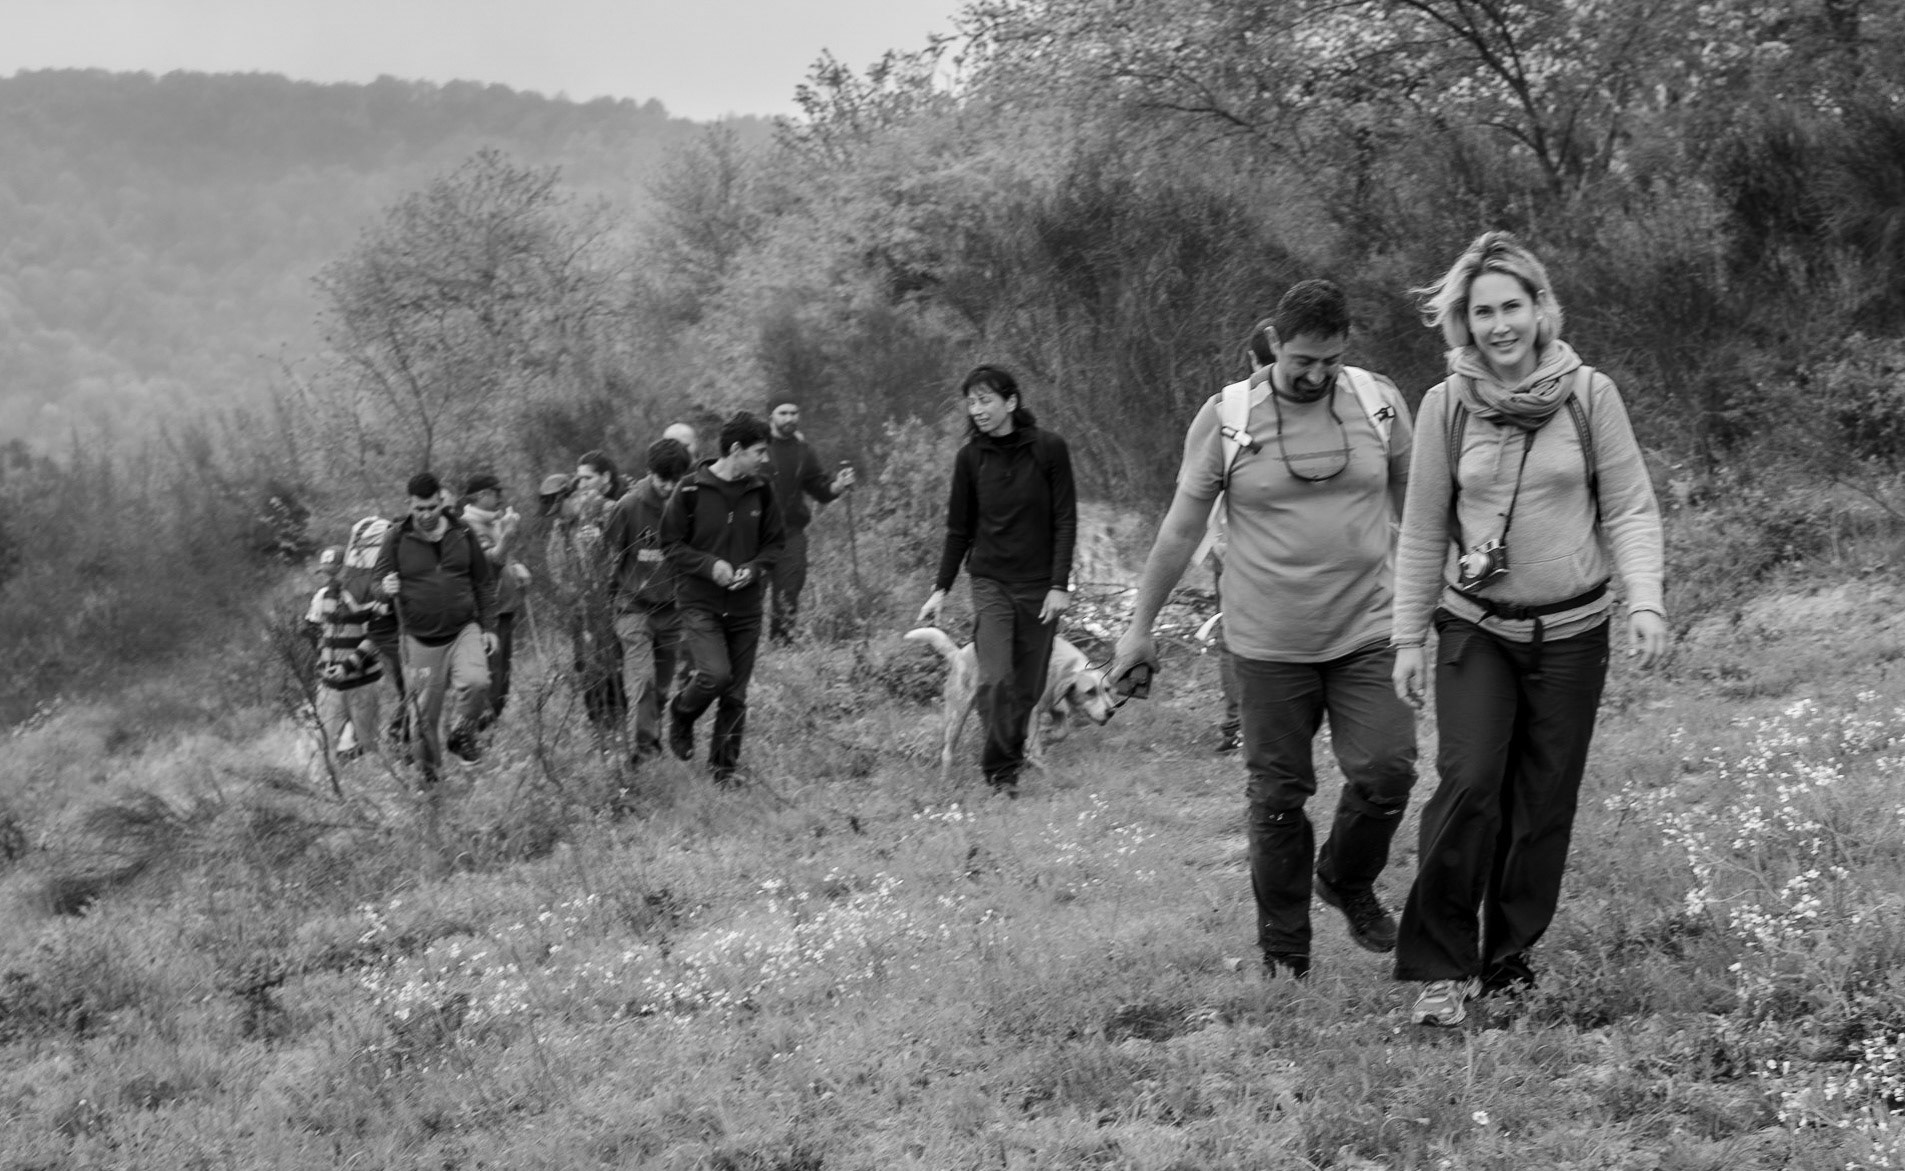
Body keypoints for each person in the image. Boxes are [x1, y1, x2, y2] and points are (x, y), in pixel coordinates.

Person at [1389, 231, 1668, 1026]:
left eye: (1511, 305)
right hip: (1475, 628)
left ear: (1541, 309)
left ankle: (1507, 960)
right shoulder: (1444, 405)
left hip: (1573, 633)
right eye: (1483, 311)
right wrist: (1407, 637)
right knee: (1469, 780)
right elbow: (1422, 527)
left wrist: (1644, 599)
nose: (1499, 324)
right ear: (1463, 321)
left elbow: (1628, 507)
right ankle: (1440, 969)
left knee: (1542, 802)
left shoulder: (1589, 395)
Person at [1109, 280, 1419, 980]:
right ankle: (1285, 956)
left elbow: (1418, 503)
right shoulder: (1228, 416)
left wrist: (1447, 581)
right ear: (1274, 342)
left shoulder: (1377, 401)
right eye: (1302, 360)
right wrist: (1139, 627)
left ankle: (1343, 877)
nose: (1315, 374)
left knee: (1388, 769)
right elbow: (1180, 529)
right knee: (1278, 798)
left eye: (1329, 360)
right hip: (1267, 644)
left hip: (1368, 630)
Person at [918, 365, 1077, 799]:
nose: (977, 410)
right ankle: (1000, 773)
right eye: (971, 402)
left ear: (1011, 402)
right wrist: (940, 589)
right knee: (994, 679)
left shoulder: (1049, 449)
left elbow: (1065, 519)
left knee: (1027, 688)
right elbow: (958, 529)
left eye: (985, 400)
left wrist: (1059, 584)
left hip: (1040, 585)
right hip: (991, 582)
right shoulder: (970, 458)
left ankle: (1008, 761)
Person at [662, 412, 787, 784]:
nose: (764, 458)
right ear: (735, 450)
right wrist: (708, 565)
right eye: (758, 451)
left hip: (746, 607)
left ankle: (723, 772)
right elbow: (671, 544)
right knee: (715, 675)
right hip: (700, 603)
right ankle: (682, 713)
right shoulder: (689, 490)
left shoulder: (762, 490)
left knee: (735, 693)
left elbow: (775, 544)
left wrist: (754, 568)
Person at [373, 472, 498, 784]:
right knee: (422, 721)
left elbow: (483, 582)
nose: (426, 514)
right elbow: (376, 584)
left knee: (477, 682)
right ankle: (431, 782)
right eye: (419, 509)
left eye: (431, 507)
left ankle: (461, 733)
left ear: (441, 502)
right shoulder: (396, 538)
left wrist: (489, 627)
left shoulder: (463, 531)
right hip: (419, 639)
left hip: (463, 629)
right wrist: (385, 588)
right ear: (409, 504)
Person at [604, 437, 692, 768]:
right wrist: (607, 608)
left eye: (675, 480)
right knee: (642, 681)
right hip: (633, 608)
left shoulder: (688, 503)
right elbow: (608, 558)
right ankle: (641, 756)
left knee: (662, 688)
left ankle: (651, 741)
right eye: (662, 479)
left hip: (672, 610)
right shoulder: (628, 507)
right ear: (649, 472)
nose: (669, 487)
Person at [546, 451, 628, 736]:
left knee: (613, 667)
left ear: (606, 477)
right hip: (581, 609)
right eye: (578, 479)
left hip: (613, 603)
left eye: (587, 478)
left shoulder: (615, 509)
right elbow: (557, 561)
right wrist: (570, 593)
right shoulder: (569, 519)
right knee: (587, 668)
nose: (581, 484)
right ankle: (600, 731)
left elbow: (624, 553)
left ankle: (618, 727)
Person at [763, 401, 856, 643]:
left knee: (788, 594)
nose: (789, 418)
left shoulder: (803, 450)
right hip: (753, 534)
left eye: (794, 413)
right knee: (746, 596)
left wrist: (839, 485)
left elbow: (820, 488)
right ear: (770, 416)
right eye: (783, 413)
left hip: (791, 532)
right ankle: (743, 652)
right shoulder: (758, 446)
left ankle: (782, 648)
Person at [304, 544, 384, 769]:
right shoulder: (322, 595)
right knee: (323, 747)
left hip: (363, 682)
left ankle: (376, 783)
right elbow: (312, 628)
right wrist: (324, 660)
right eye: (326, 573)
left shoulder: (366, 595)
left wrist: (347, 665)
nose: (330, 578)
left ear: (346, 569)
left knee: (370, 745)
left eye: (334, 572)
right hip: (330, 686)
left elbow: (376, 637)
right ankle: (329, 786)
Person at [460, 473, 530, 728]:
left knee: (502, 682)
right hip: (489, 614)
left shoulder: (493, 522)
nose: (501, 498)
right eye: (496, 493)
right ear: (482, 495)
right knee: (491, 680)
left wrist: (516, 567)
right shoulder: (468, 526)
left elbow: (503, 561)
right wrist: (509, 535)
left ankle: (483, 733)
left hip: (505, 609)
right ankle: (472, 734)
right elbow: (489, 564)